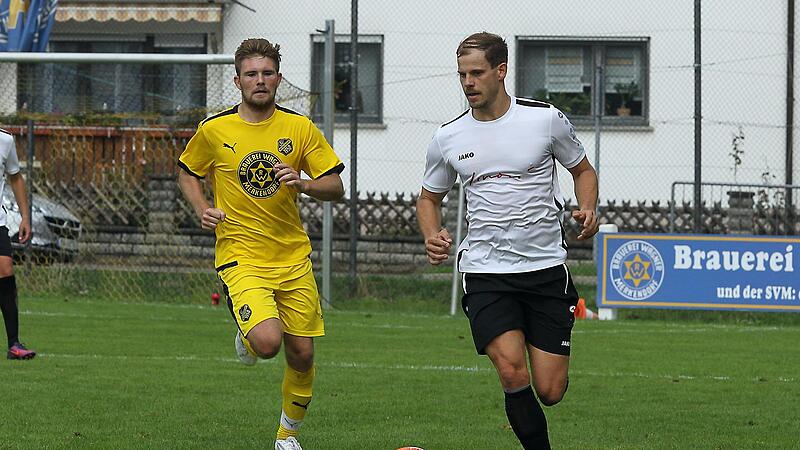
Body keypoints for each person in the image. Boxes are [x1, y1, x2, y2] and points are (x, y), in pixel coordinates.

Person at [416, 32, 599, 449]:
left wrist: (588, 206)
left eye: (477, 73)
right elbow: (429, 198)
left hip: (545, 270)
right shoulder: (448, 137)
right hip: (486, 272)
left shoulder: (544, 120)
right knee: (512, 371)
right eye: (462, 74)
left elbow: (583, 171)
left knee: (551, 390)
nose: (468, 83)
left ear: (501, 71)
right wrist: (432, 234)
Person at [177, 38, 344, 450]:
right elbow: (186, 172)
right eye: (251, 74)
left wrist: (304, 183)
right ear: (237, 81)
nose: (260, 80)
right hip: (240, 255)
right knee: (268, 343)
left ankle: (286, 437)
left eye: (267, 73)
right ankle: (247, 327)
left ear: (279, 79)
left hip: (291, 256)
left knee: (302, 354)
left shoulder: (299, 128)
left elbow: (335, 185)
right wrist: (203, 206)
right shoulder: (214, 130)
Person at [0, 128, 36, 360]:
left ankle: (14, 344)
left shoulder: (5, 140)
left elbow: (15, 177)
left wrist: (25, 217)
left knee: (5, 271)